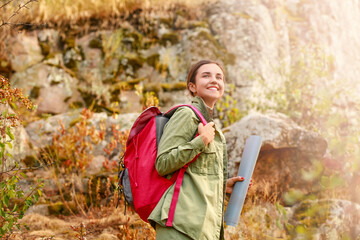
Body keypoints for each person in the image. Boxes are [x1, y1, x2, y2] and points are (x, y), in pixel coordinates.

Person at [148, 60, 245, 240]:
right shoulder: (186, 114)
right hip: (180, 227)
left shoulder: (208, 124)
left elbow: (193, 174)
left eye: (219, 77)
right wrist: (201, 141)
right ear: (192, 87)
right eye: (206, 76)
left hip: (201, 229)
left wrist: (222, 186)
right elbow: (163, 164)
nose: (214, 80)